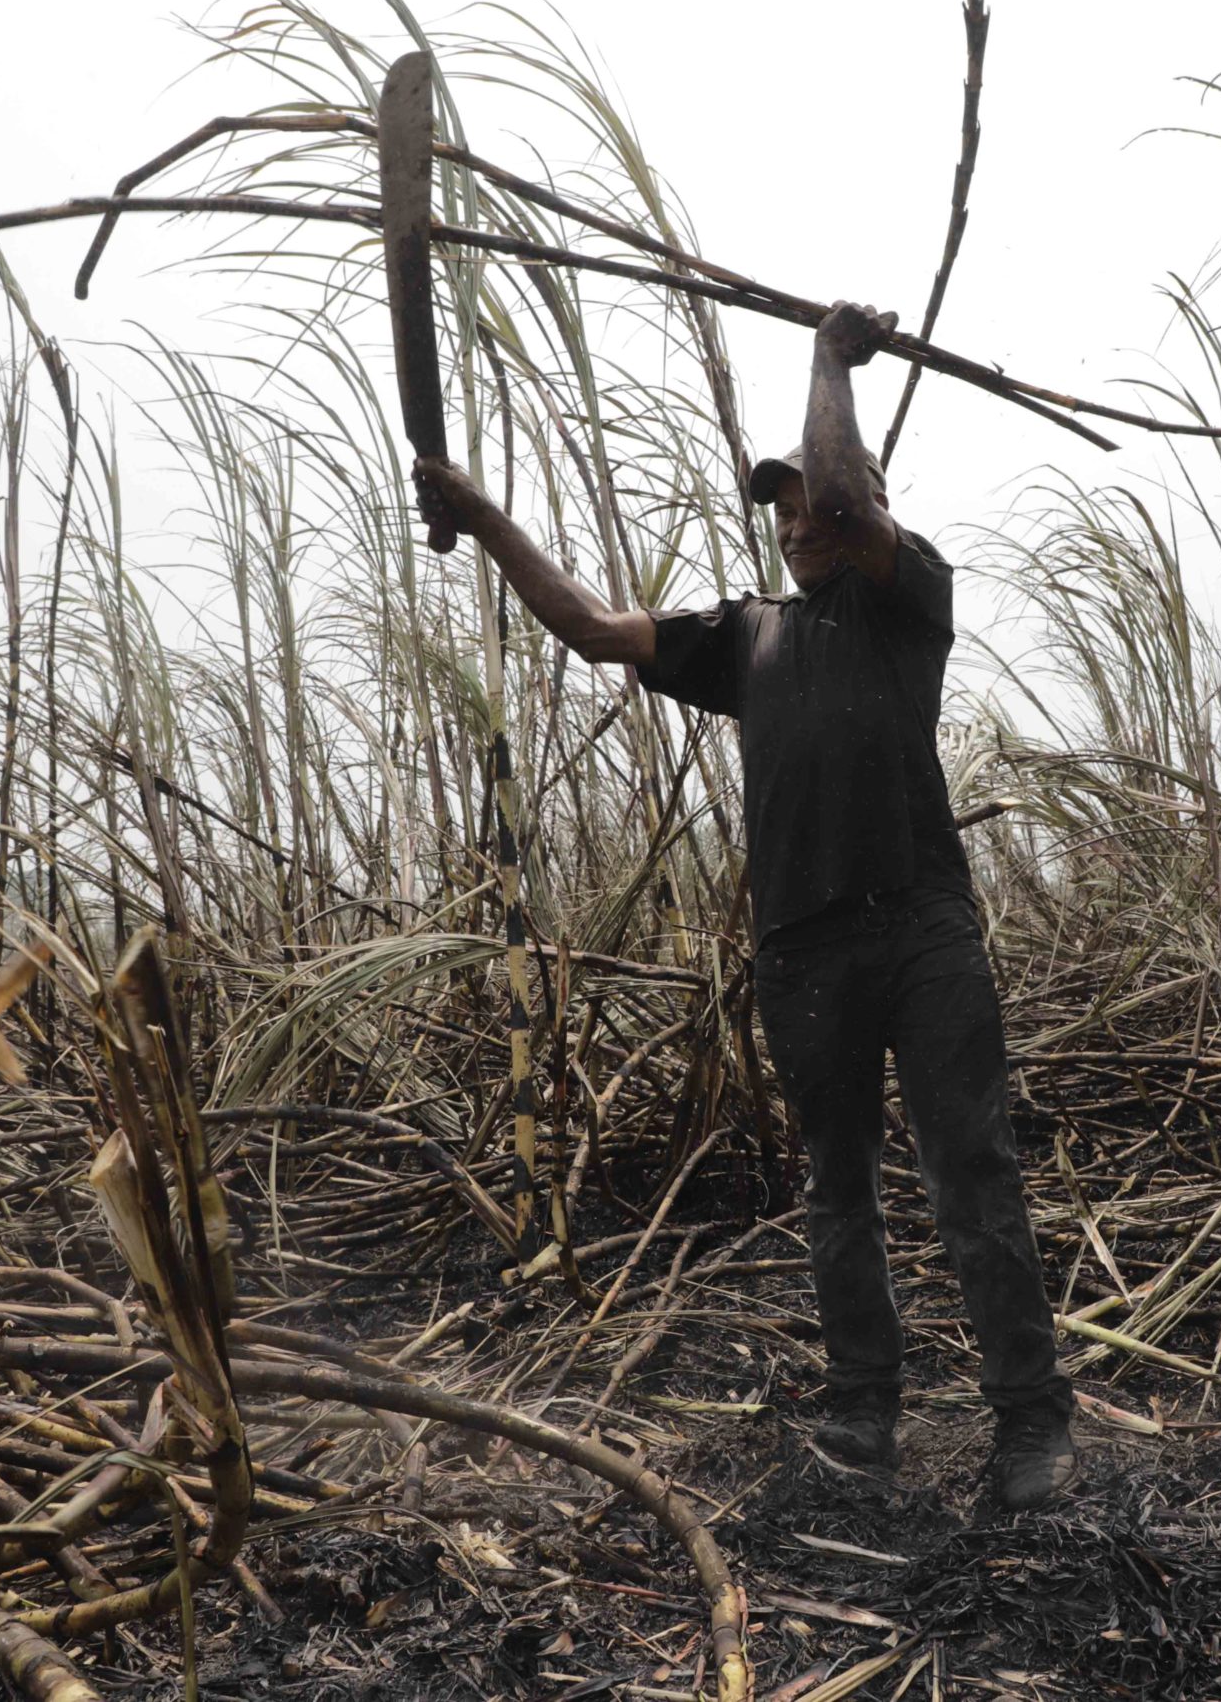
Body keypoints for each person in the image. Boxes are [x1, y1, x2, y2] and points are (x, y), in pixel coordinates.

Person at [415, 301, 1078, 1511]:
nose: (796, 521)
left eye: (815, 502)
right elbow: (584, 625)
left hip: (922, 927)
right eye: (776, 510)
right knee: (838, 1191)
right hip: (804, 951)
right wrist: (478, 512)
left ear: (865, 508)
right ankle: (864, 1420)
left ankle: (1031, 1425)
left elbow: (844, 485)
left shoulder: (906, 595)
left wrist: (829, 356)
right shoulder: (744, 637)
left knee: (972, 1175)